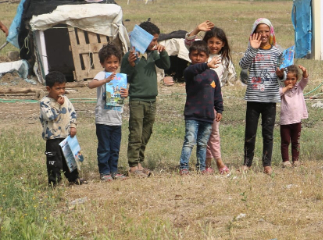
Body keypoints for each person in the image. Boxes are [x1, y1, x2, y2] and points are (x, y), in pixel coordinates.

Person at [185, 20, 236, 175]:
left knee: (212, 133)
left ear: (223, 44)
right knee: (200, 135)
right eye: (211, 42)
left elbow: (224, 82)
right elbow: (188, 43)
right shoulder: (201, 57)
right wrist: (196, 29)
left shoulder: (224, 60)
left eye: (217, 43)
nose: (214, 45)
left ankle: (211, 162)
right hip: (197, 103)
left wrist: (219, 106)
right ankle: (211, 163)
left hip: (212, 103)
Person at [121, 20, 170, 177]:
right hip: (137, 100)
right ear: (142, 38)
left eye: (157, 40)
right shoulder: (131, 56)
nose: (155, 43)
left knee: (146, 132)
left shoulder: (153, 54)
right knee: (136, 132)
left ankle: (139, 162)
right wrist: (130, 64)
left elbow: (166, 65)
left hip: (151, 100)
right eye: (153, 40)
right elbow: (125, 76)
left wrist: (163, 52)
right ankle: (133, 165)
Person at [240, 18, 285, 174]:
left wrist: (281, 75)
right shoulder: (252, 50)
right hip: (253, 98)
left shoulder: (278, 52)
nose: (264, 34)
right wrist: (252, 49)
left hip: (270, 98)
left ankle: (267, 163)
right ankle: (247, 163)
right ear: (254, 33)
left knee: (268, 133)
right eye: (260, 31)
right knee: (250, 132)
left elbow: (284, 78)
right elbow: (243, 66)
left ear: (271, 32)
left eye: (266, 31)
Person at [87, 43, 129, 181]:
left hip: (116, 119)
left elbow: (121, 94)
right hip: (103, 119)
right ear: (102, 63)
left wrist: (125, 93)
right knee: (104, 147)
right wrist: (105, 80)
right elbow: (90, 85)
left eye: (115, 62)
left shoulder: (120, 77)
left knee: (115, 148)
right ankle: (104, 172)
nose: (113, 65)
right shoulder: (102, 75)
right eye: (109, 62)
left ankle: (114, 171)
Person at [180, 41, 223, 175]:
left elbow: (217, 93)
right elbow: (192, 69)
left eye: (201, 55)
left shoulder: (213, 75)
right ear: (189, 56)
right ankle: (184, 167)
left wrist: (219, 109)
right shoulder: (190, 72)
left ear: (207, 56)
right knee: (189, 142)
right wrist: (205, 65)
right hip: (192, 115)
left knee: (203, 144)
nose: (198, 58)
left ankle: (201, 167)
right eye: (195, 55)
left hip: (208, 115)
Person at [40, 71, 85, 186]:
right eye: (58, 88)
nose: (61, 91)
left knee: (69, 159)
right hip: (53, 137)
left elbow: (72, 113)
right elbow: (50, 116)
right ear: (49, 88)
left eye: (63, 88)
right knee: (54, 160)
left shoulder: (66, 100)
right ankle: (54, 182)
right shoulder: (45, 102)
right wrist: (57, 105)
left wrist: (73, 126)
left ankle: (74, 178)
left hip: (66, 135)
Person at [279, 64, 309, 168]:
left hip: (296, 120)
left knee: (296, 141)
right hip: (285, 121)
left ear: (297, 79)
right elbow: (277, 94)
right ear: (283, 79)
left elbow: (305, 80)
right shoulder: (282, 89)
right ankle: (286, 160)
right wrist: (286, 88)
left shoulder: (299, 87)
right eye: (287, 79)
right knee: (285, 141)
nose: (290, 81)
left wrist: (304, 72)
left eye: (293, 79)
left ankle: (295, 160)